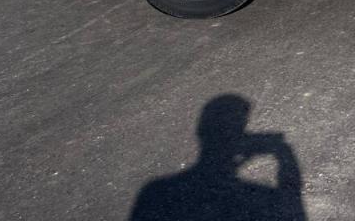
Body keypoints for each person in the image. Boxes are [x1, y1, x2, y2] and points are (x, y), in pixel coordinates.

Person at [129, 95, 305, 221]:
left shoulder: (156, 193)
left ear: (200, 132)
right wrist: (283, 153)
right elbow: (293, 208)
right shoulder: (261, 199)